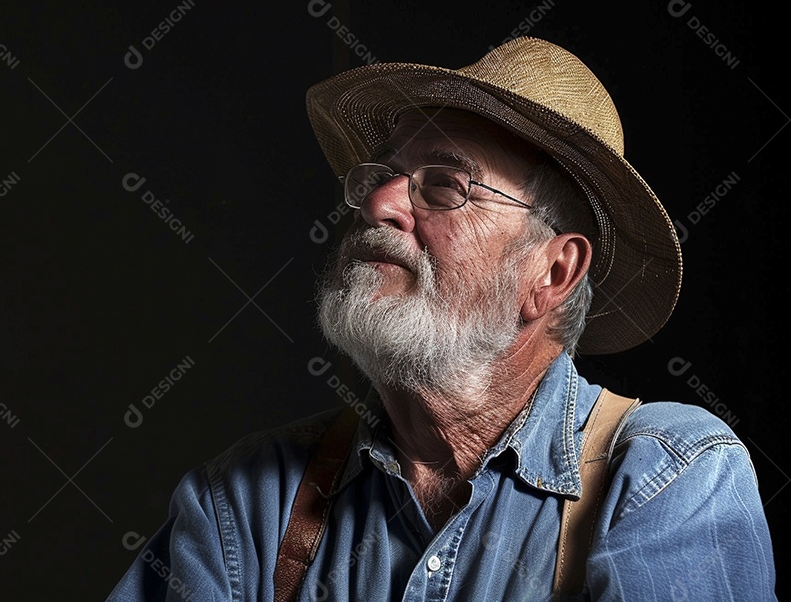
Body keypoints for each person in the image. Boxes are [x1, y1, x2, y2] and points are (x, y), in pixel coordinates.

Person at [107, 37, 777, 601]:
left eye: (444, 184)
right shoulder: (243, 504)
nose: (379, 205)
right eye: (383, 176)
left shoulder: (668, 475)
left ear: (552, 273)